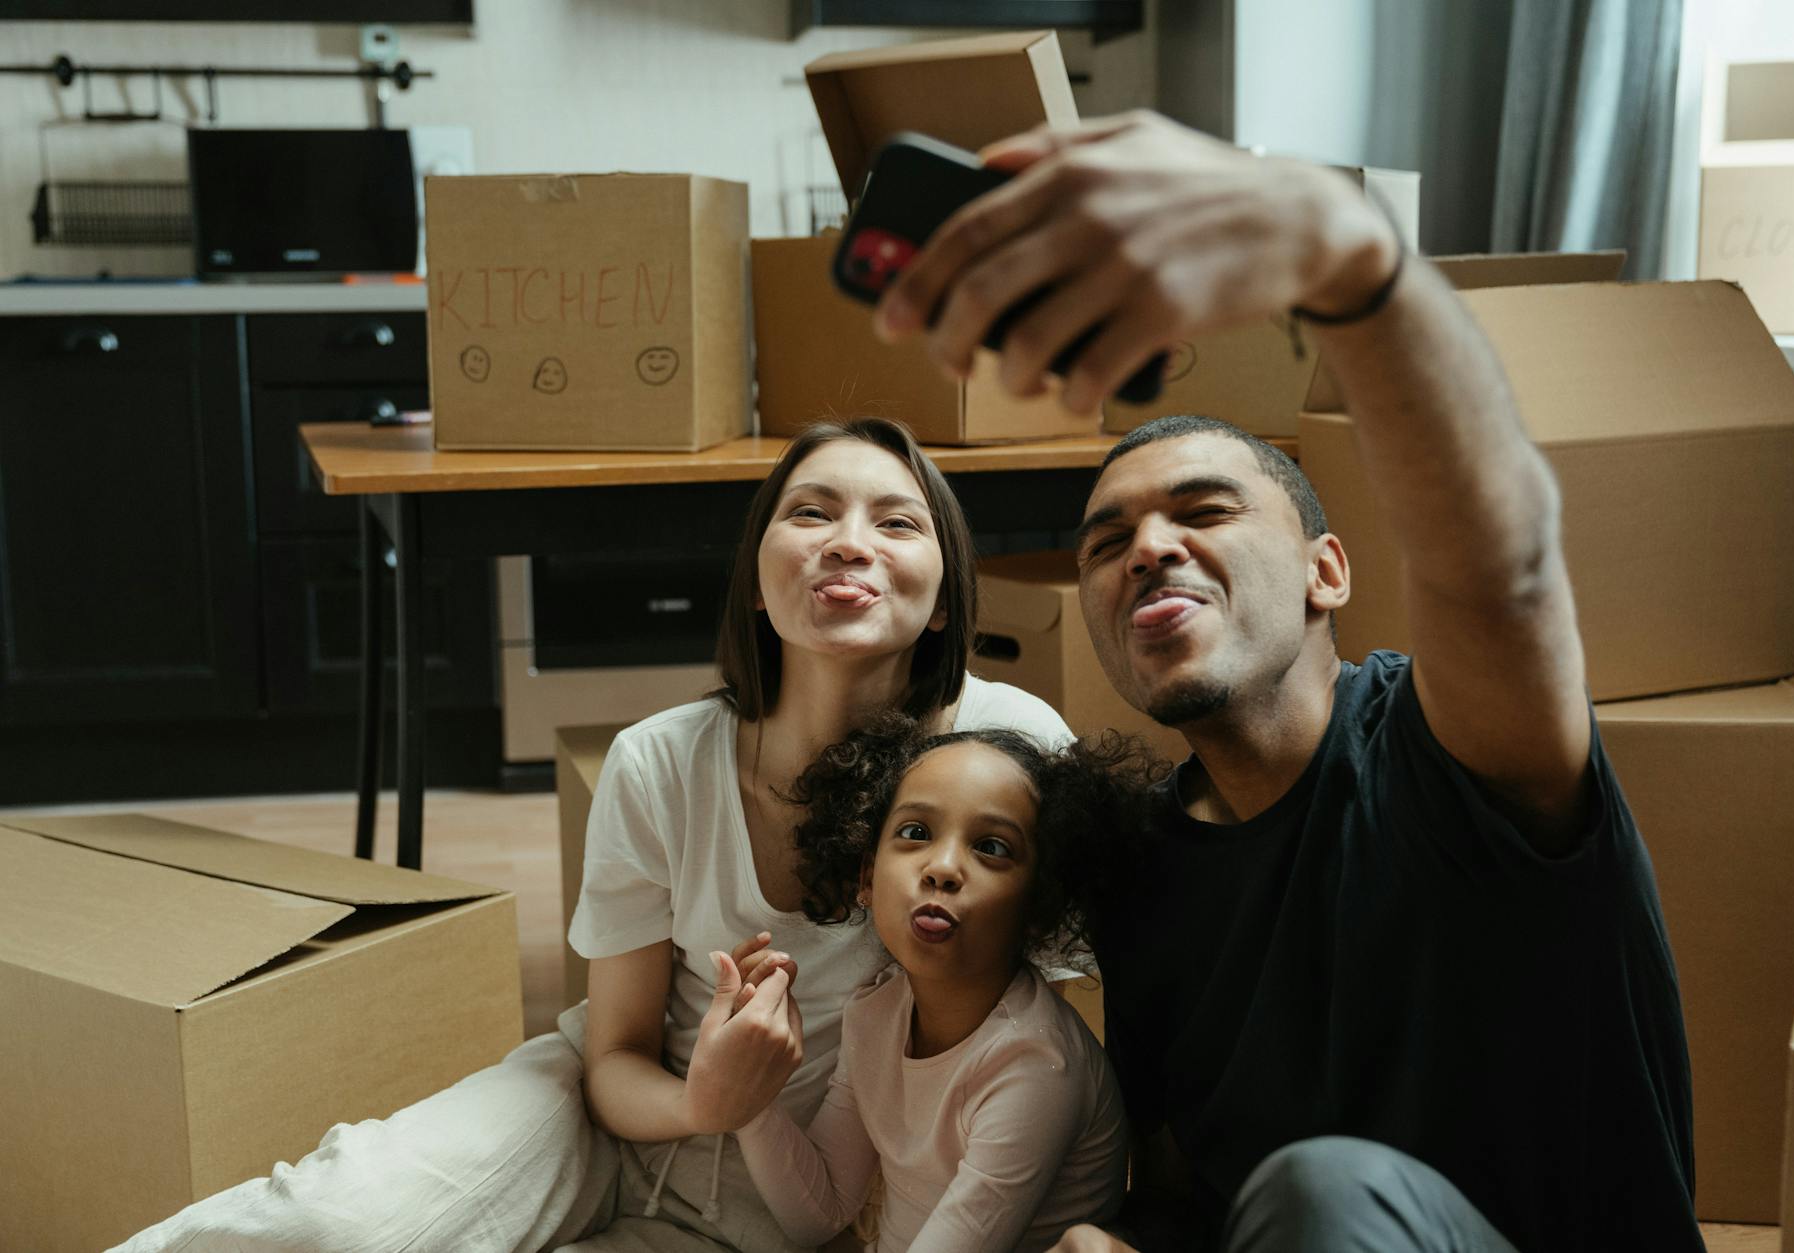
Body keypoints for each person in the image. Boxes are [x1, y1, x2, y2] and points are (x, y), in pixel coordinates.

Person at [869, 112, 1703, 1253]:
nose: (1147, 547)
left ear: (1326, 570)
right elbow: (1190, 1179)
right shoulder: (1147, 878)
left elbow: (1497, 569)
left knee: (1326, 1191)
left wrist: (1349, 260)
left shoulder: (1446, 751)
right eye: (1106, 543)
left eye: (1203, 511)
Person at [115, 417, 1071, 1253]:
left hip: (798, 1195)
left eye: (896, 521)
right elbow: (613, 1053)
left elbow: (1067, 1022)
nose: (848, 543)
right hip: (595, 1117)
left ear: (946, 595)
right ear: (755, 579)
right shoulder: (659, 760)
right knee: (339, 1222)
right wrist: (705, 1101)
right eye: (811, 513)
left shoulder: (1012, 753)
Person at [727, 719, 1147, 1252]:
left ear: (1039, 908)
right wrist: (751, 1092)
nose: (943, 868)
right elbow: (822, 1211)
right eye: (916, 833)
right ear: (867, 879)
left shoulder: (1035, 1067)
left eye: (992, 847)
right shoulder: (876, 1012)